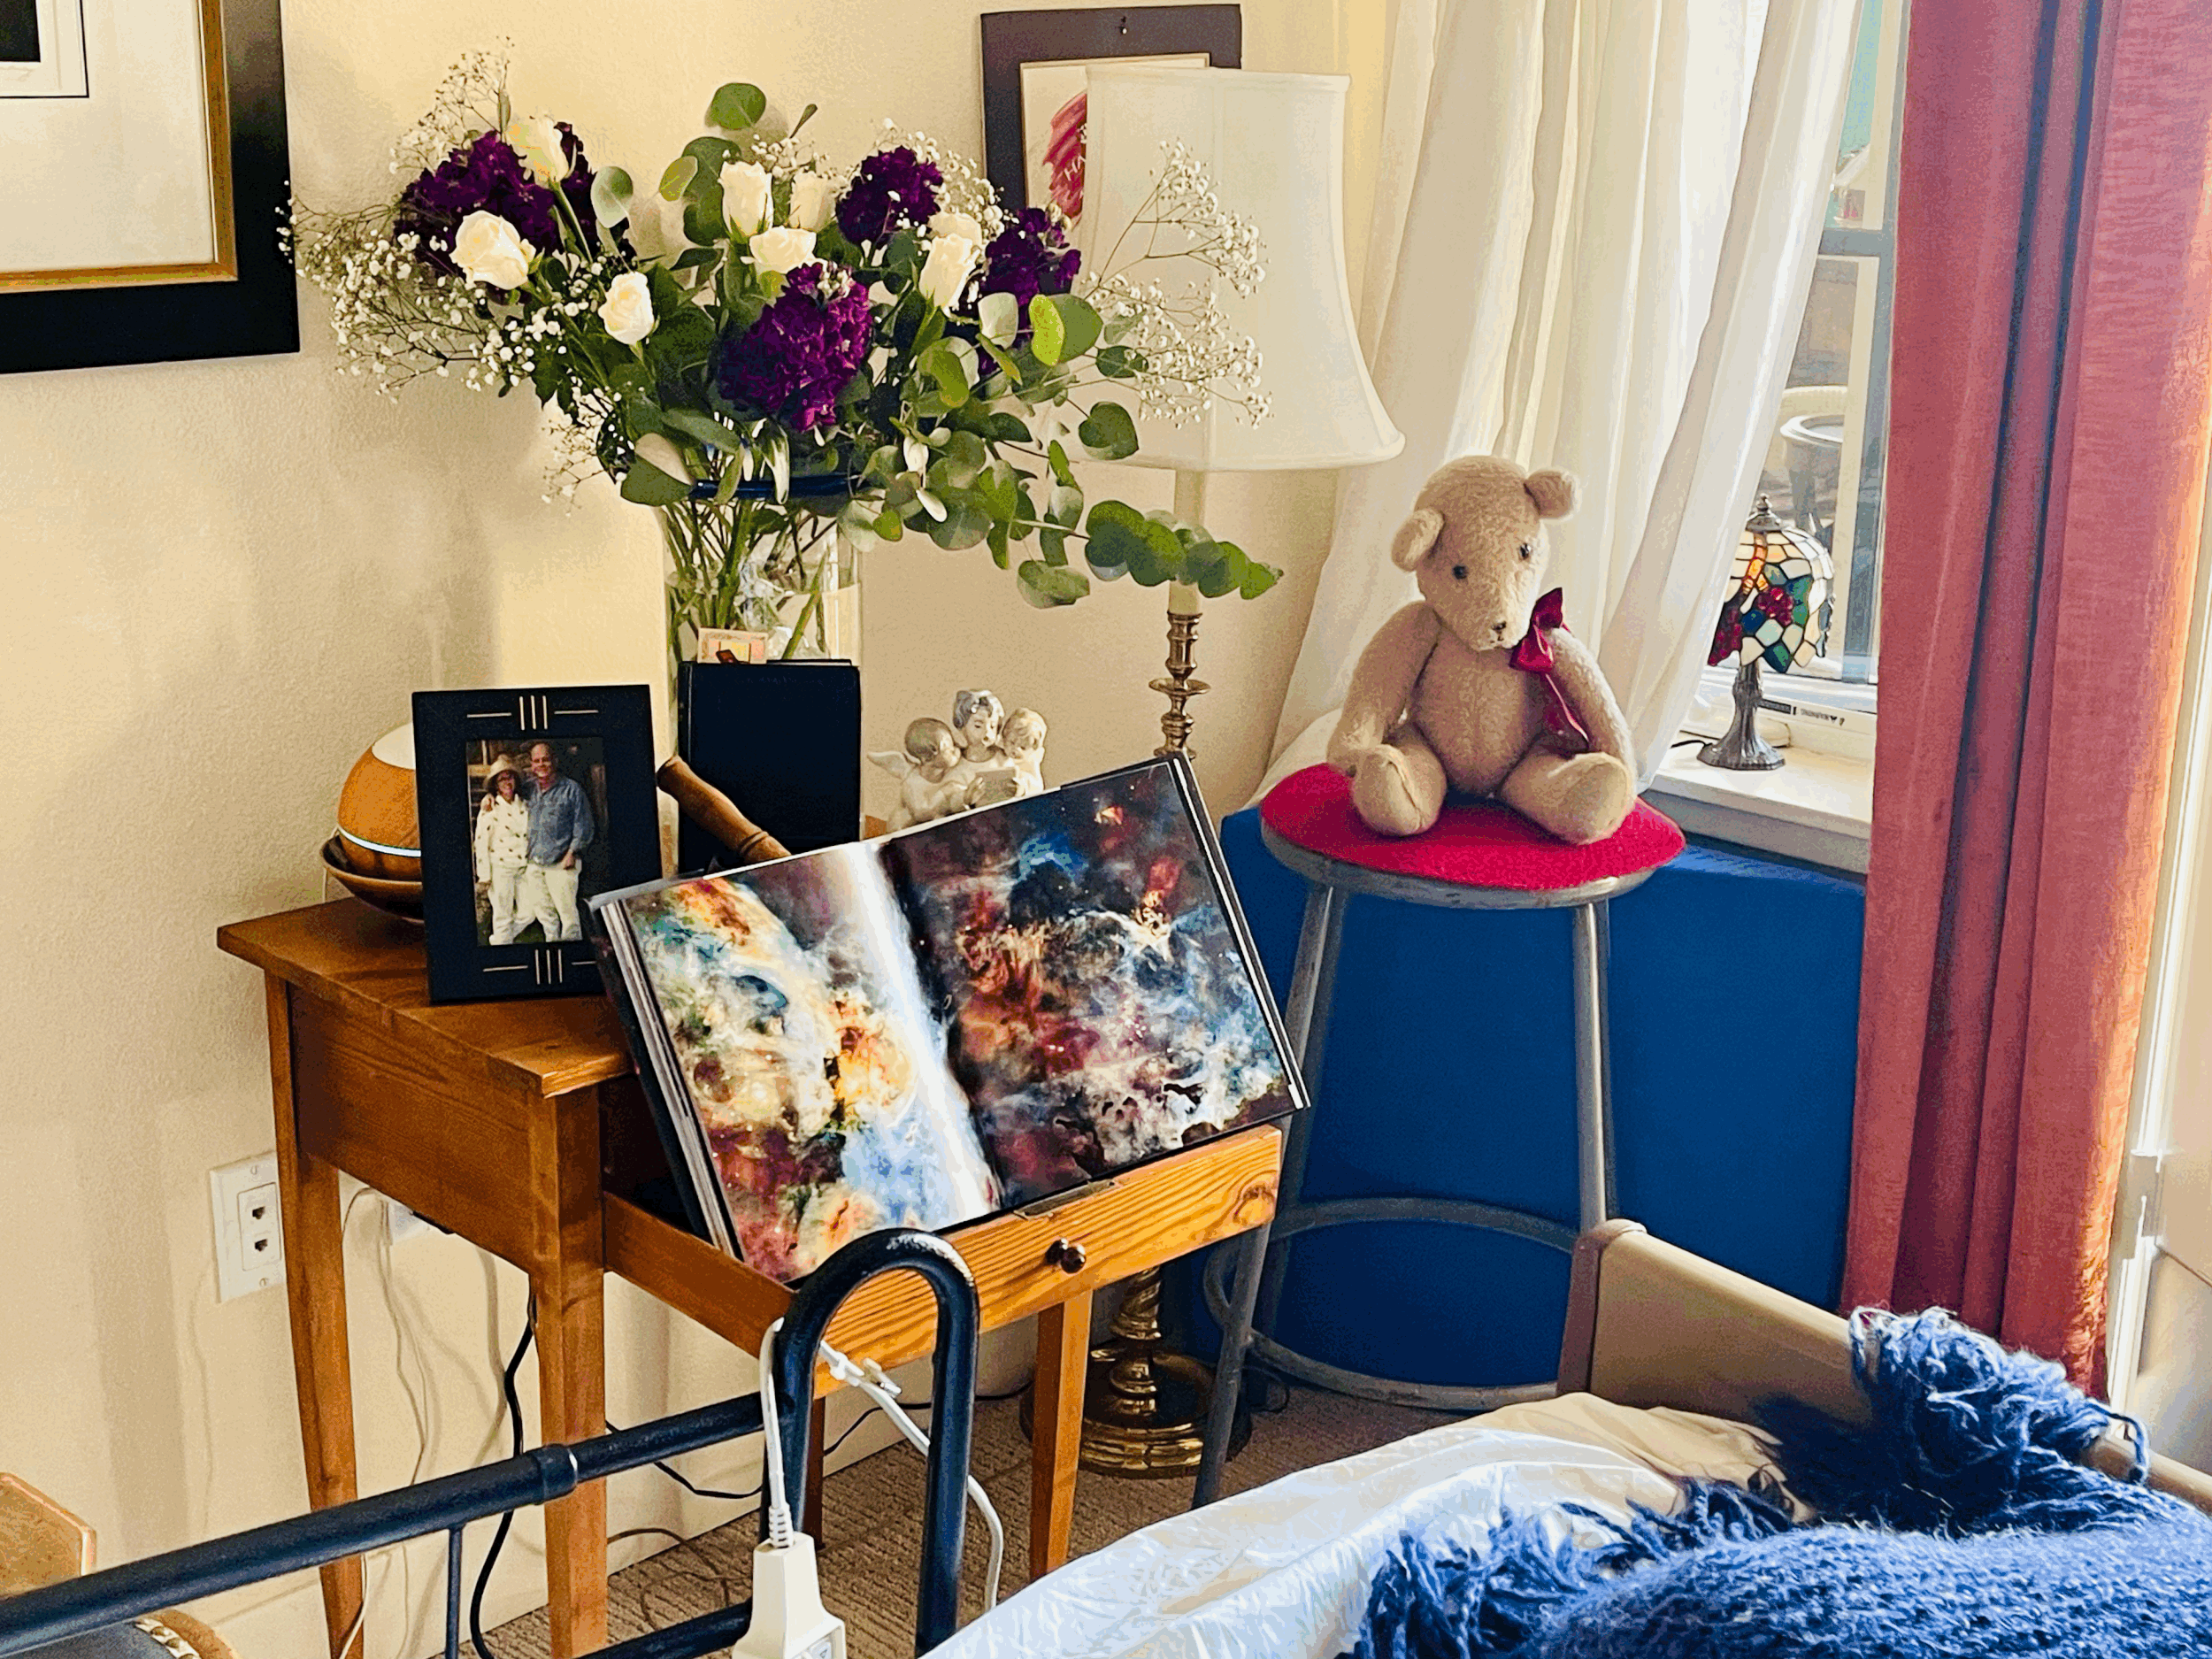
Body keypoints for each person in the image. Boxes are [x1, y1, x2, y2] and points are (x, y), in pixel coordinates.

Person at [517, 741, 595, 942]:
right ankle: (552, 945)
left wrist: (572, 852)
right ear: (531, 765)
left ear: (555, 761)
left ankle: (570, 951)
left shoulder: (571, 789)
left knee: (567, 915)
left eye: (545, 760)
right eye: (536, 761)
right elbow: (505, 793)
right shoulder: (528, 789)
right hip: (535, 862)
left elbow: (583, 825)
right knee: (545, 913)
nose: (541, 764)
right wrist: (489, 798)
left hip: (561, 861)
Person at [472, 756, 532, 944]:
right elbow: (481, 842)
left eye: (510, 777)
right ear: (495, 785)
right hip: (500, 869)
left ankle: (499, 941)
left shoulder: (524, 805)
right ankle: (503, 948)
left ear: (515, 780)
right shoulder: (490, 808)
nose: (507, 782)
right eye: (501, 779)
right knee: (502, 916)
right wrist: (484, 876)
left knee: (529, 912)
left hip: (523, 867)